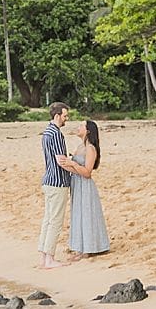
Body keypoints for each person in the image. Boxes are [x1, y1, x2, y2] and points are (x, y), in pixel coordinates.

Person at [56, 118, 109, 258]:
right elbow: (75, 169)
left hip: (85, 185)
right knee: (78, 214)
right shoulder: (80, 147)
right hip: (76, 183)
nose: (78, 127)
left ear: (88, 131)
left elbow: (87, 172)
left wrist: (72, 164)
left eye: (81, 126)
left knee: (87, 214)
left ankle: (89, 249)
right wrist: (64, 163)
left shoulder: (90, 148)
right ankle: (80, 247)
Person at [37, 101, 71, 269]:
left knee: (48, 220)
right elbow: (60, 160)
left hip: (48, 180)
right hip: (57, 182)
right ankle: (49, 258)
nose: (67, 119)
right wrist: (75, 167)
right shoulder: (56, 134)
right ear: (57, 115)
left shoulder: (46, 132)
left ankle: (43, 257)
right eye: (65, 116)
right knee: (55, 221)